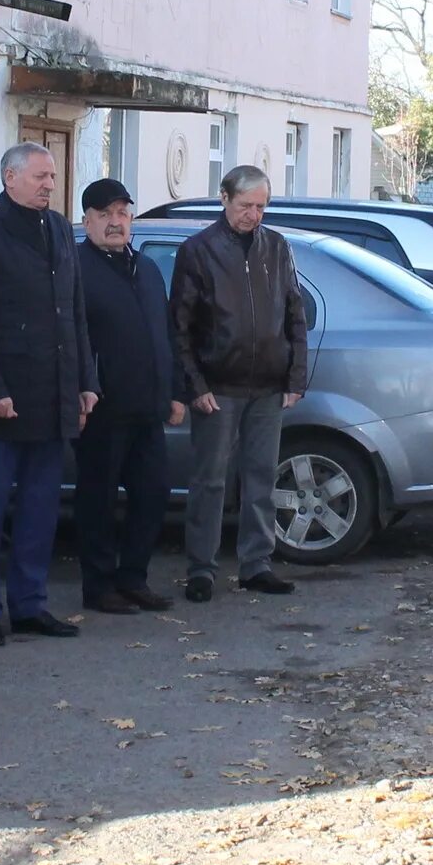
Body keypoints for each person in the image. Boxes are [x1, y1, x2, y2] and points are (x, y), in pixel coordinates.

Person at [0, 142, 97, 645]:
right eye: (39, 177)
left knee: (40, 508)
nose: (50, 185)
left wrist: (85, 382)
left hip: (53, 393)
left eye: (53, 177)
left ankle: (30, 603)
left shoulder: (58, 229)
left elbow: (74, 313)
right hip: (4, 399)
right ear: (10, 177)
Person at [169, 165, 307, 601]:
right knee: (210, 480)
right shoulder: (198, 251)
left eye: (262, 207)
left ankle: (256, 564)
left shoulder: (277, 247)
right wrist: (195, 384)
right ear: (224, 198)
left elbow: (294, 315)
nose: (254, 215)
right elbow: (180, 327)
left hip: (267, 383)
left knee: (262, 476)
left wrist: (295, 376)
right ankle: (202, 569)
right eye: (246, 206)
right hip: (218, 385)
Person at [73, 178, 184, 615]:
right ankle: (98, 587)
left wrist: (174, 393)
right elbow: (73, 336)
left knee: (153, 493)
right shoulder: (76, 268)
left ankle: (133, 578)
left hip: (147, 407)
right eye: (105, 215)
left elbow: (166, 335)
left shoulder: (147, 268)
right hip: (102, 408)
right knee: (98, 501)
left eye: (122, 213)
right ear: (88, 221)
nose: (115, 222)